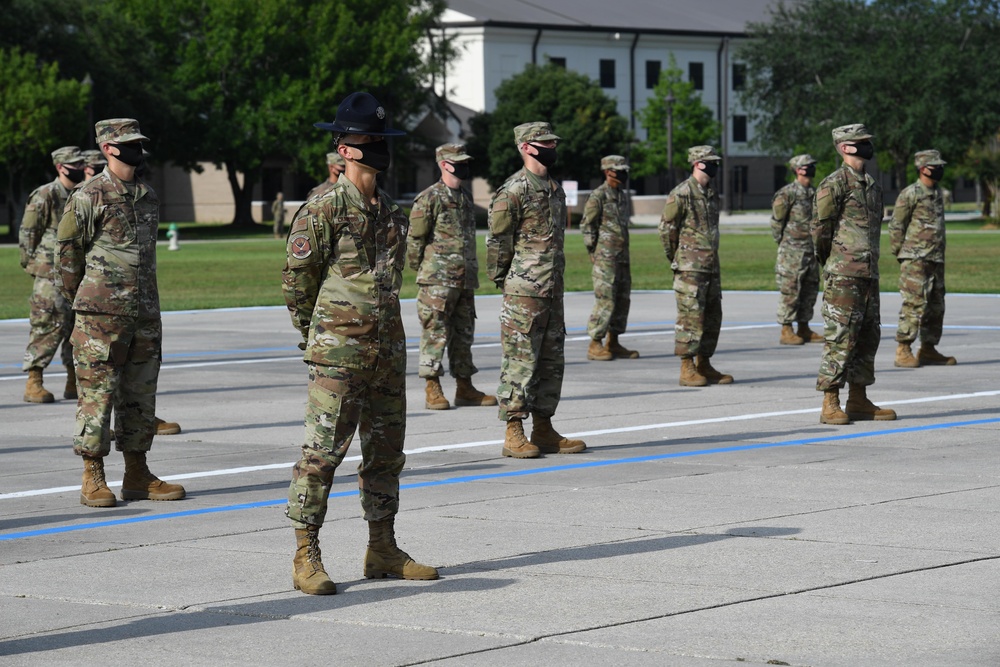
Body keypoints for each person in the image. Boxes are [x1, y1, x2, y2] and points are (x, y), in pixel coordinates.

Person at [282, 92, 437, 596]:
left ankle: (382, 548)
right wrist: (323, 338)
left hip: (387, 352)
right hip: (338, 356)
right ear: (345, 148)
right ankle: (306, 553)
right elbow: (297, 285)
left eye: (382, 140)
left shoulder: (390, 210)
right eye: (369, 140)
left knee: (387, 454)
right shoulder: (322, 209)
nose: (378, 149)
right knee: (322, 454)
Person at [57, 118, 186, 508]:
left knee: (140, 396)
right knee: (97, 396)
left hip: (145, 313)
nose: (137, 149)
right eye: (129, 143)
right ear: (108, 148)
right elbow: (67, 255)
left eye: (138, 142)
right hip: (101, 316)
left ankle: (137, 473)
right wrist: (89, 300)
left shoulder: (147, 195)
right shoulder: (88, 195)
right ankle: (92, 475)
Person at [486, 121, 586, 459]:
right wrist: (506, 281)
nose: (551, 148)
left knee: (551, 361)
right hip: (524, 293)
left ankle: (543, 428)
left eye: (553, 142)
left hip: (552, 288)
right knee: (520, 361)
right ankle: (513, 431)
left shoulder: (554, 189)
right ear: (526, 147)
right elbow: (498, 242)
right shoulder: (513, 190)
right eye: (544, 143)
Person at [811, 123, 897, 424]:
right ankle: (830, 401)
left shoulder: (872, 185)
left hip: (868, 275)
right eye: (861, 142)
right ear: (845, 147)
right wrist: (833, 261)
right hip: (844, 275)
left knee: (867, 336)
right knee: (840, 336)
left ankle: (858, 399)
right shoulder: (833, 184)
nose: (867, 146)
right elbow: (820, 230)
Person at [407, 143, 496, 410]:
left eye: (465, 160)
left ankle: (464, 386)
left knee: (464, 335)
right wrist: (423, 270)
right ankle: (432, 386)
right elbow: (415, 239)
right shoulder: (430, 198)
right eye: (458, 161)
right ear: (444, 164)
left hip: (465, 280)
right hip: (437, 281)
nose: (464, 165)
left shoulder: (465, 197)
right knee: (435, 334)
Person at [659, 145, 734, 387]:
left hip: (711, 265)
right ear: (697, 163)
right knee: (691, 317)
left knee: (713, 315)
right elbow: (667, 230)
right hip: (690, 268)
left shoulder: (711, 193)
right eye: (711, 161)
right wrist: (680, 258)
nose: (715, 166)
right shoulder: (681, 193)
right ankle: (686, 366)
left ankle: (704, 363)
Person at [19, 146, 87, 403]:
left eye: (81, 164)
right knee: (47, 324)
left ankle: (73, 381)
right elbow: (28, 233)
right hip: (49, 272)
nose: (80, 168)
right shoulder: (45, 194)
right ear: (60, 167)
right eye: (74, 164)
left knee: (77, 328)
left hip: (78, 271)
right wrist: (32, 266)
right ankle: (34, 382)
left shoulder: (83, 193)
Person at [890, 149, 956, 368]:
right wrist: (903, 255)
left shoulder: (937, 193)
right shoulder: (911, 194)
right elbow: (897, 226)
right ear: (922, 168)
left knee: (936, 305)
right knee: (914, 304)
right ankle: (903, 349)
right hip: (915, 259)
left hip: (936, 258)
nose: (939, 170)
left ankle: (928, 349)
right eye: (935, 166)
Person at [581, 154, 639, 361]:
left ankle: (613, 342)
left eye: (624, 170)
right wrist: (593, 252)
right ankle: (595, 343)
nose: (623, 174)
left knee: (622, 299)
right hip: (605, 258)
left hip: (622, 257)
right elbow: (587, 225)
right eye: (619, 170)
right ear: (607, 172)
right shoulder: (598, 196)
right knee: (605, 300)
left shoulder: (621, 195)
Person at [771, 154, 823, 346]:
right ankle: (786, 329)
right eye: (808, 166)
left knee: (810, 289)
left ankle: (804, 327)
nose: (811, 169)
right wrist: (785, 245)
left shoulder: (815, 193)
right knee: (791, 290)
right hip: (792, 252)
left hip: (811, 251)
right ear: (798, 170)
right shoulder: (787, 194)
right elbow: (777, 223)